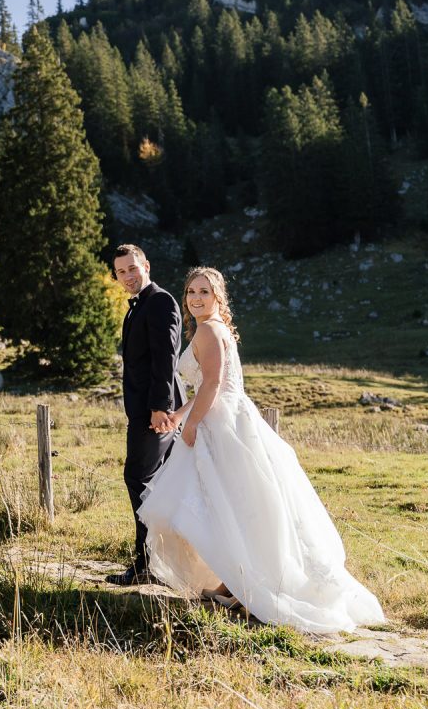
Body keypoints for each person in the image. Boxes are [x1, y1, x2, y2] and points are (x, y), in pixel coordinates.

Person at [137, 267, 385, 633]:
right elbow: (210, 385)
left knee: (218, 503)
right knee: (235, 503)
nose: (195, 298)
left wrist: (190, 425)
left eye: (204, 291)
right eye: (190, 292)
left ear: (218, 296)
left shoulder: (208, 330)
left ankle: (244, 582)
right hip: (228, 417)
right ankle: (233, 582)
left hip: (220, 424)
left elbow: (214, 385)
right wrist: (178, 414)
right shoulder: (216, 329)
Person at [106, 244, 186, 586]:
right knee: (158, 483)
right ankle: (161, 562)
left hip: (156, 412)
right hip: (147, 408)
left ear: (147, 266)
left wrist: (159, 409)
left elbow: (166, 359)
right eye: (121, 272)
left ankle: (147, 565)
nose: (127, 276)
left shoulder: (160, 301)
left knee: (138, 479)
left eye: (132, 269)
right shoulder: (138, 306)